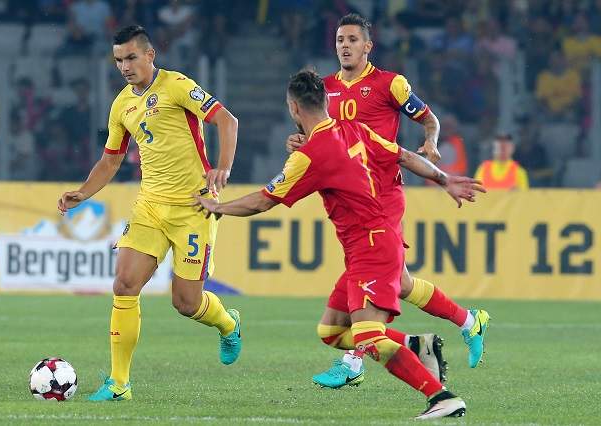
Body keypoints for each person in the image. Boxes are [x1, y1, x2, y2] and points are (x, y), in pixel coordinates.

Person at [196, 70, 484, 419]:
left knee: (368, 338)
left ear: (293, 108)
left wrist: (219, 207)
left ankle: (440, 396)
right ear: (326, 101)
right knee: (332, 331)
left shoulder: (309, 155)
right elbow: (405, 156)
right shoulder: (355, 129)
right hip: (372, 243)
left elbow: (263, 200)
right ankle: (415, 344)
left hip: (372, 246)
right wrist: (444, 179)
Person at [287, 14, 490, 389]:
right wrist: (298, 142)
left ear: (367, 46)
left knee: (369, 273)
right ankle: (468, 320)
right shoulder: (324, 88)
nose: (344, 45)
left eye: (352, 40)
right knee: (399, 281)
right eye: (339, 40)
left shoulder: (389, 84)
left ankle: (354, 359)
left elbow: (429, 119)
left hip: (384, 195)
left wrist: (430, 140)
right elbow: (315, 134)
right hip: (350, 195)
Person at [57, 25, 241, 402]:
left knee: (186, 303)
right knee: (124, 285)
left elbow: (227, 120)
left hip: (193, 208)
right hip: (149, 207)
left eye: (130, 58)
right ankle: (119, 383)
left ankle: (228, 323)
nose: (124, 66)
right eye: (118, 60)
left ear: (149, 55)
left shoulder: (176, 86)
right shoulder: (121, 105)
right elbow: (110, 160)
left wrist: (221, 168)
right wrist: (83, 192)